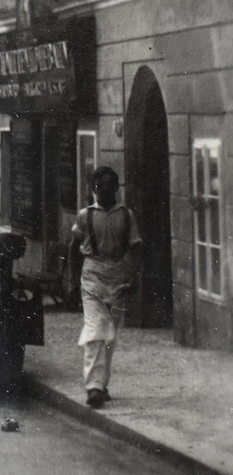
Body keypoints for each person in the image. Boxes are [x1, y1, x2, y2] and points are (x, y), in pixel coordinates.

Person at [69, 166, 143, 407]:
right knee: (95, 329)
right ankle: (93, 386)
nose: (105, 194)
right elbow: (73, 247)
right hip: (92, 277)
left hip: (119, 279)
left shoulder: (126, 215)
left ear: (117, 189)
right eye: (100, 189)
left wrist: (134, 278)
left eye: (110, 188)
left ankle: (102, 384)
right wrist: (72, 280)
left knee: (110, 333)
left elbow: (136, 247)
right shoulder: (85, 215)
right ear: (93, 190)